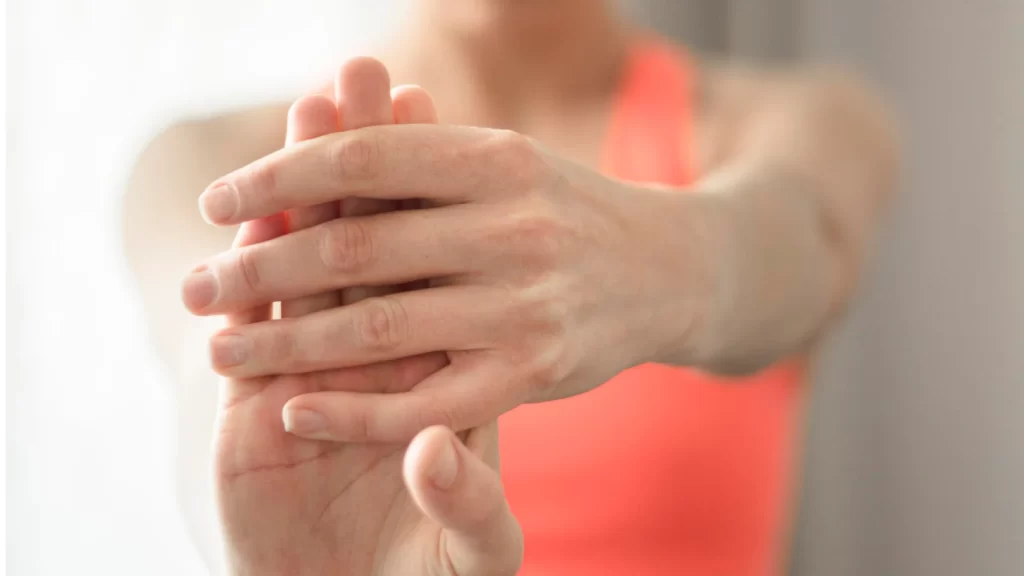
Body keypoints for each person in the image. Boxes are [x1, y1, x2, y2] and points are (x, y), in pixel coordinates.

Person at [124, 1, 898, 574]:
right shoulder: (203, 160)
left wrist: (636, 253)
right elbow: (211, 375)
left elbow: (796, 245)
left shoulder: (803, 120)